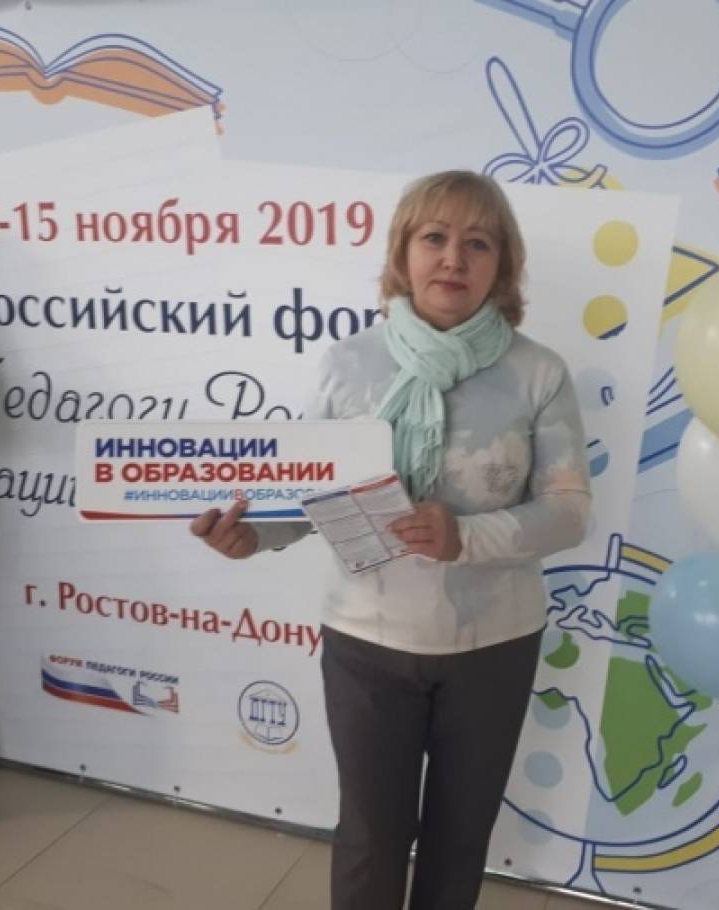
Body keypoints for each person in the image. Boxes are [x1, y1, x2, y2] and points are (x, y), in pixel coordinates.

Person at [191, 170, 590, 908]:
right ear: (402, 253)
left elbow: (568, 512)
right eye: (434, 237)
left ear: (503, 265)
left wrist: (466, 535)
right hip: (366, 642)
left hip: (494, 645)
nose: (453, 258)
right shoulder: (349, 364)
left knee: (459, 838)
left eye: (478, 243)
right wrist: (254, 534)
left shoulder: (538, 372)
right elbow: (308, 493)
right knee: (371, 838)